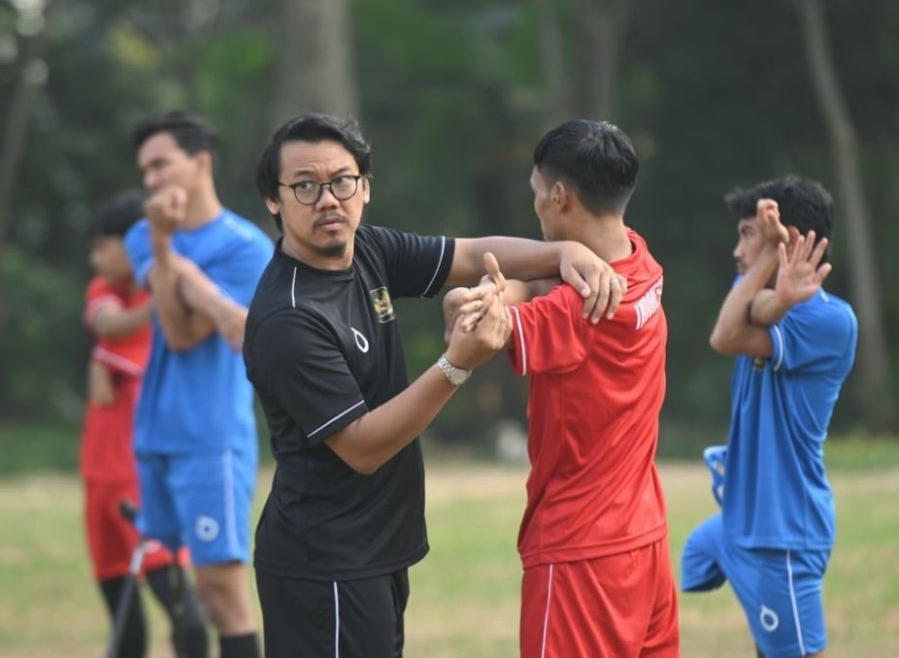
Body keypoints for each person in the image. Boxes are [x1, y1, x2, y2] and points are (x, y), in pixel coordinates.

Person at [242, 112, 625, 657]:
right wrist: (456, 364)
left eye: (342, 181)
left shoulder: (367, 250)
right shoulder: (289, 318)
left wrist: (562, 253)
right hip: (323, 563)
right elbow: (362, 447)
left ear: (365, 188)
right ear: (274, 201)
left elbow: (468, 256)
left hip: (373, 552)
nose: (327, 199)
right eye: (304, 186)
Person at [445, 119, 679, 656]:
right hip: (643, 537)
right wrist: (523, 281)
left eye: (536, 195)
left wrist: (468, 301)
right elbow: (543, 282)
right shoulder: (641, 259)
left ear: (559, 195)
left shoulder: (577, 312)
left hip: (580, 549)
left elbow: (478, 331)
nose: (535, 207)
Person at [680, 177, 858, 658]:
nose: (739, 252)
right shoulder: (761, 298)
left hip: (783, 531)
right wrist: (771, 273)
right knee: (670, 567)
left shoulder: (831, 321)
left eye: (747, 235)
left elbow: (725, 335)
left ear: (789, 240)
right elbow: (752, 308)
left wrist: (770, 263)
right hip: (743, 520)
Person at [124, 111, 273, 658]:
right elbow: (178, 316)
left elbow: (183, 336)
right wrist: (178, 265)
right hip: (155, 431)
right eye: (144, 169)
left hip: (210, 435)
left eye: (161, 164)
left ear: (201, 162)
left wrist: (173, 260)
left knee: (221, 593)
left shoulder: (247, 247)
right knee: (173, 586)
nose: (151, 180)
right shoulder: (144, 233)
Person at [82, 190, 208, 657]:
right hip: (99, 481)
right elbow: (107, 324)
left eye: (103, 245)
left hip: (143, 482)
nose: (96, 258)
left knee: (183, 611)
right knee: (123, 615)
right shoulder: (107, 293)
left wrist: (168, 298)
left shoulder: (180, 312)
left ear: (136, 242)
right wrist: (158, 303)